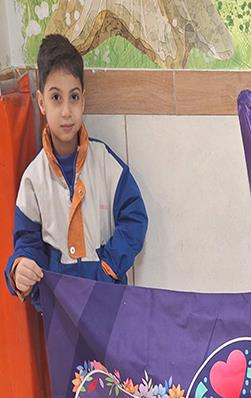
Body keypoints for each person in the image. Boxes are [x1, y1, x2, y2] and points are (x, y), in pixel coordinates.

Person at [4, 34, 148, 310]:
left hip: (108, 306)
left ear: (83, 101)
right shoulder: (33, 179)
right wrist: (21, 268)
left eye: (74, 97)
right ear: (41, 102)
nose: (66, 111)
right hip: (60, 311)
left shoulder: (105, 163)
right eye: (56, 98)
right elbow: (27, 243)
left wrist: (108, 266)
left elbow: (135, 217)